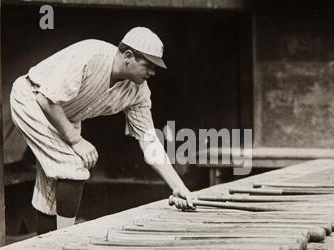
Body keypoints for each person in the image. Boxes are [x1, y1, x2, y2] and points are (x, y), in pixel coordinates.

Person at [10, 27, 195, 235]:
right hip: (32, 98)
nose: (152, 72)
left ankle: (43, 246)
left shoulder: (139, 91)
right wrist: (76, 140)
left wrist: (177, 185)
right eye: (149, 65)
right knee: (73, 165)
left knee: (51, 190)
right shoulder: (91, 55)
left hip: (65, 114)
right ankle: (62, 240)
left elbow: (149, 141)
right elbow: (46, 99)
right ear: (128, 56)